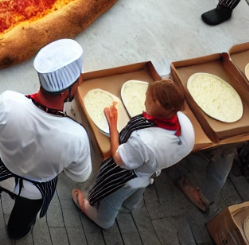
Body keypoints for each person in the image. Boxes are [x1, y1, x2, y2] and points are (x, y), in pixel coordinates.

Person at [0, 40, 91, 240]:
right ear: (64, 92)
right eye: (78, 80)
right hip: (36, 189)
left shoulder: (8, 101)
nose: (80, 81)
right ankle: (16, 231)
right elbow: (80, 175)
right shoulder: (77, 137)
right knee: (20, 227)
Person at [73, 80, 194, 230]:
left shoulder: (142, 141)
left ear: (157, 103)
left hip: (127, 179)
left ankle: (100, 217)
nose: (144, 100)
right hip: (150, 172)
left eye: (147, 98)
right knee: (137, 192)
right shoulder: (186, 124)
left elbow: (119, 159)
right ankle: (128, 207)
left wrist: (113, 125)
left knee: (113, 200)